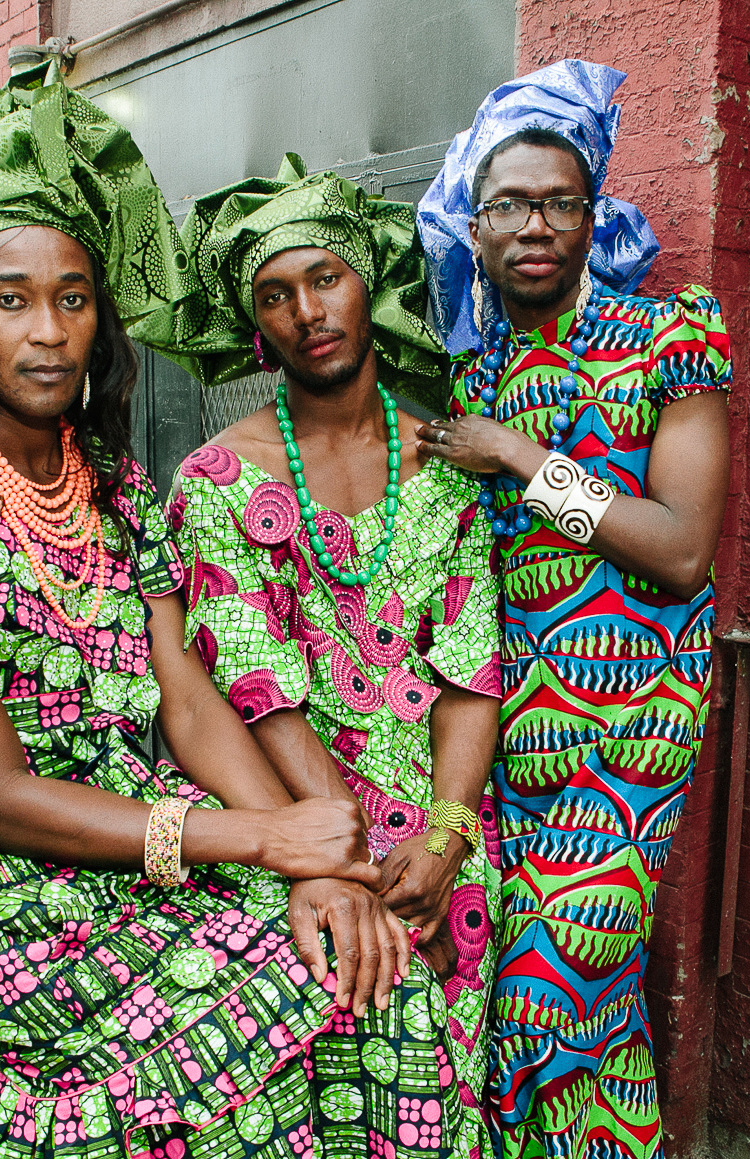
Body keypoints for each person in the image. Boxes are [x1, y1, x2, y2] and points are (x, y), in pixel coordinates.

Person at [0, 70, 412, 1159]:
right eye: (10, 299)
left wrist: (311, 860)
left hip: (143, 841)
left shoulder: (123, 493)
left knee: (374, 969)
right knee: (279, 999)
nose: (48, 332)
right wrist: (262, 837)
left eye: (75, 297)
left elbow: (187, 704)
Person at [149, 156, 504, 1158]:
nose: (307, 309)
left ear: (366, 284)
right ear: (256, 327)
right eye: (276, 294)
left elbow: (471, 674)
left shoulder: (447, 474)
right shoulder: (218, 482)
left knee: (445, 1083)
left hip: (439, 838)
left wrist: (443, 833)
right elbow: (258, 692)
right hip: (294, 831)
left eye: (325, 278)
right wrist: (342, 851)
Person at [415, 61, 734, 1159]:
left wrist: (520, 455)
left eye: (561, 201)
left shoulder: (668, 337)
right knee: (553, 1013)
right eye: (510, 205)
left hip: (630, 728)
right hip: (505, 733)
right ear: (479, 221)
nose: (536, 225)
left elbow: (684, 548)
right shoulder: (472, 368)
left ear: (592, 216)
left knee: (554, 994)